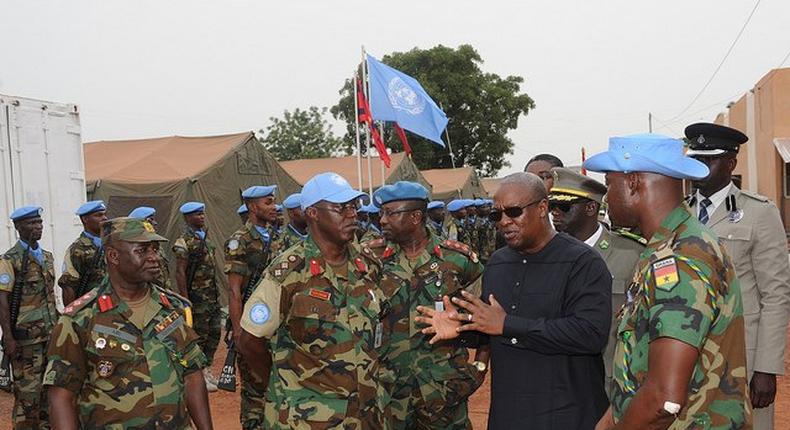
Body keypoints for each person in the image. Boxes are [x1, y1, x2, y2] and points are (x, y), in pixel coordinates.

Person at [416, 172, 612, 430]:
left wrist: (509, 324)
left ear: (542, 208)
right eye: (497, 215)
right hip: (510, 415)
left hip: (567, 413)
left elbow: (590, 334)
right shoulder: (498, 263)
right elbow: (491, 328)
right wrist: (462, 329)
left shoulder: (582, 262)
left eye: (514, 212)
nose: (504, 222)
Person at [583, 133, 751, 429]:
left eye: (610, 185)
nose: (607, 198)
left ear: (633, 182)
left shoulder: (681, 258)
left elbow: (664, 399)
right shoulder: (666, 248)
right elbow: (643, 365)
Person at [238, 172, 388, 428]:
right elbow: (250, 341)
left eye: (353, 206)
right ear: (313, 214)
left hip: (366, 414)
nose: (352, 214)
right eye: (340, 208)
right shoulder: (288, 273)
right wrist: (283, 387)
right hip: (309, 420)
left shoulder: (369, 265)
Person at [44, 217, 212, 429]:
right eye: (142, 251)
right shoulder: (80, 319)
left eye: (154, 249)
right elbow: (62, 395)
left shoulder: (174, 308)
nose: (154, 257)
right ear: (113, 256)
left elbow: (192, 375)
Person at [685, 122, 790, 430]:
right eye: (695, 159)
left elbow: (776, 294)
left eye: (709, 159)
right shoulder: (680, 213)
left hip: (744, 354)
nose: (700, 167)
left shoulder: (759, 213)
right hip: (690, 351)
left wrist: (767, 368)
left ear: (731, 163)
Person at [366, 181, 485, 429]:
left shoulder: (458, 260)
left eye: (390, 213)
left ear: (415, 217)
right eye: (381, 213)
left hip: (443, 390)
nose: (382, 220)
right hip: (388, 390)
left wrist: (480, 366)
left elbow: (486, 315)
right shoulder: (369, 260)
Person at [548, 167, 644, 395]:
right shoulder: (545, 255)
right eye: (552, 206)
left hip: (611, 382)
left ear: (591, 208)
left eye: (563, 206)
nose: (555, 214)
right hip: (559, 381)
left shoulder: (630, 253)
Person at [223, 185, 278, 429]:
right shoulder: (239, 241)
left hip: (275, 325)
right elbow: (234, 290)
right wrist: (238, 332)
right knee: (255, 390)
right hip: (250, 325)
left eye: (273, 202)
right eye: (268, 202)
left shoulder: (277, 237)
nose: (274, 207)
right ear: (253, 207)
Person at [0, 206, 59, 429]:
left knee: (48, 389)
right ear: (18, 227)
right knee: (27, 394)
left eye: (39, 222)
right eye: (31, 223)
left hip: (49, 335)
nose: (38, 227)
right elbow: (2, 301)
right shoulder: (9, 260)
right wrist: (8, 338)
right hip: (25, 340)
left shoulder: (47, 257)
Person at [173, 202, 221, 393]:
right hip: (196, 298)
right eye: (196, 214)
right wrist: (185, 299)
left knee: (215, 332)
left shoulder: (207, 239)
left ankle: (206, 368)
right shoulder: (183, 241)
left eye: (202, 213)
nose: (201, 216)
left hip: (212, 296)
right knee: (198, 336)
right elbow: (180, 272)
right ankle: (199, 373)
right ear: (187, 218)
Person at [59, 200, 108, 305]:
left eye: (104, 214)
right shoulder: (77, 249)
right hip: (90, 309)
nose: (104, 218)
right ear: (85, 219)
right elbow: (69, 286)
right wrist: (71, 316)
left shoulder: (111, 244)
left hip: (110, 305)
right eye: (98, 215)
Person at [129, 206, 173, 291]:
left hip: (163, 291)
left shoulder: (156, 245)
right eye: (150, 220)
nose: (155, 223)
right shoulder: (136, 247)